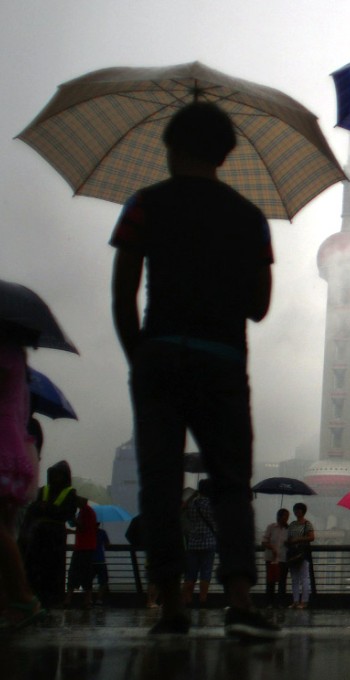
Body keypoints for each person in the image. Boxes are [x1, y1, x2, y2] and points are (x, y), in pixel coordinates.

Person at [110, 101, 278, 639]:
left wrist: (140, 353)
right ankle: (239, 600)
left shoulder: (144, 205)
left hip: (159, 354)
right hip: (222, 361)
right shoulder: (249, 217)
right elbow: (259, 305)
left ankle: (171, 606)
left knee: (159, 480)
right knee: (230, 483)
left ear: (170, 146)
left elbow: (123, 290)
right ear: (226, 154)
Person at [0, 331, 46, 628]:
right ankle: (12, 603)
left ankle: (22, 599)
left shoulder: (4, 354)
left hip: (3, 444)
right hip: (14, 445)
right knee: (5, 526)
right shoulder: (17, 355)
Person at [22, 459, 77, 608]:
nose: (56, 478)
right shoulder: (43, 490)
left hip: (56, 535)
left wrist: (48, 509)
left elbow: (68, 513)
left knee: (54, 569)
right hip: (40, 534)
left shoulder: (70, 493)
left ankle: (53, 600)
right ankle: (37, 598)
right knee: (36, 568)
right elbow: (32, 510)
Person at [181, 480, 217, 608]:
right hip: (209, 542)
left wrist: (193, 495)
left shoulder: (192, 504)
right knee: (205, 574)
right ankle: (203, 600)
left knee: (190, 575)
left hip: (193, 543)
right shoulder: (212, 504)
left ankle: (188, 600)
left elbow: (184, 512)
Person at [64, 497, 98, 609]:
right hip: (84, 547)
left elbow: (83, 528)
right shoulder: (85, 511)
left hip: (84, 548)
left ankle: (73, 600)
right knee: (84, 573)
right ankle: (85, 601)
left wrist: (74, 520)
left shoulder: (87, 511)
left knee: (76, 573)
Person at [286, 502, 314, 609]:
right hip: (293, 553)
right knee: (294, 578)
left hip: (303, 554)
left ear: (303, 511)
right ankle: (295, 600)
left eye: (298, 510)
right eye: (295, 510)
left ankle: (304, 601)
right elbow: (288, 537)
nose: (296, 512)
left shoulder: (307, 524)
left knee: (304, 578)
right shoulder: (292, 524)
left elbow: (311, 537)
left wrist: (298, 539)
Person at [260, 507, 290, 609]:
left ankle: (280, 603)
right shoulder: (271, 527)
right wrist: (271, 547)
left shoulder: (288, 529)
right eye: (285, 516)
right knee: (270, 581)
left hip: (283, 558)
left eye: (287, 516)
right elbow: (264, 542)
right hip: (271, 559)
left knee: (282, 582)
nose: (286, 518)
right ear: (279, 516)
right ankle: (269, 603)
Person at [92, 522, 111, 606]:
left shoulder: (88, 532)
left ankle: (88, 598)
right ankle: (99, 599)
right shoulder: (102, 532)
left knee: (87, 580)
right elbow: (107, 544)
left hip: (90, 559)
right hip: (100, 559)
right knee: (103, 581)